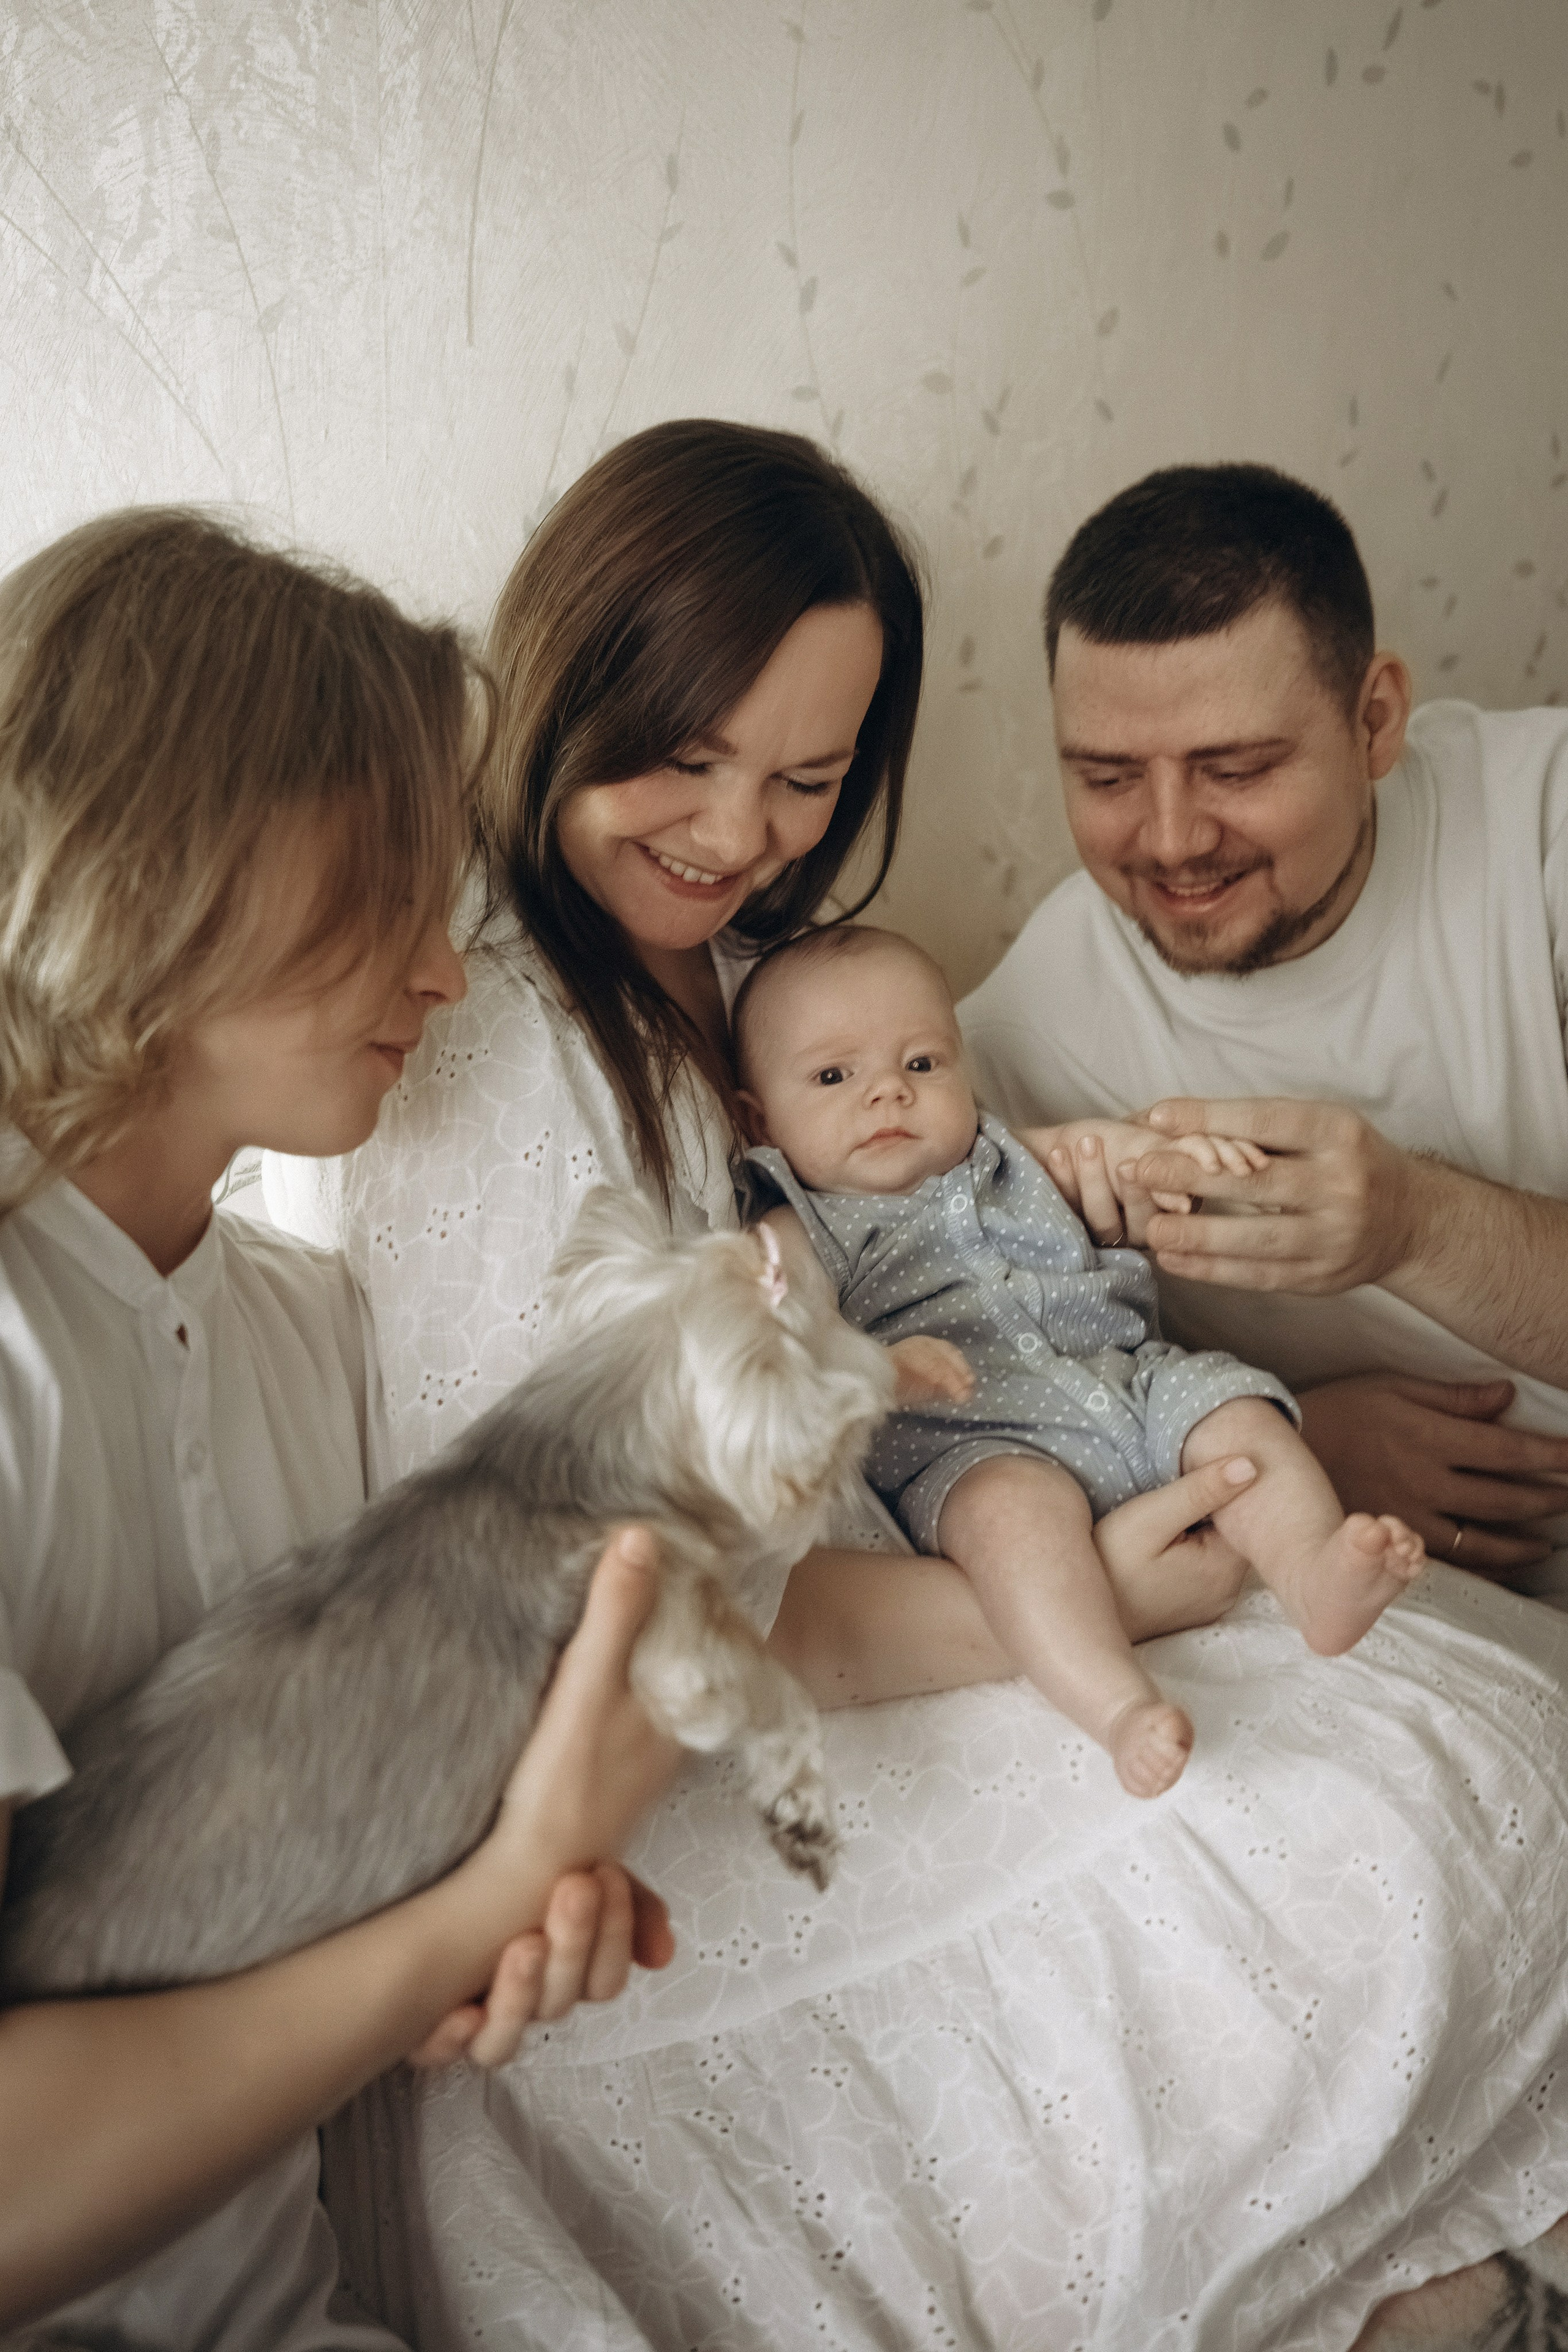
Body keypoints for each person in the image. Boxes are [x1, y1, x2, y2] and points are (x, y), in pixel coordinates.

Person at [268, 421, 1568, 2350]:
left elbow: (1027, 1253)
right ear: (566, 690)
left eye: (807, 778)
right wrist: (1094, 1593)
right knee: (1379, 1832)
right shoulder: (493, 1034)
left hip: (907, 1558)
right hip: (698, 1732)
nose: (737, 834)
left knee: (1467, 1741)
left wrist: (1286, 1380)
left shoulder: (782, 977)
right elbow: (609, 1617)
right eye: (686, 759)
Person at [0, 510, 681, 2343]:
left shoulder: (311, 1336)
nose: (447, 971)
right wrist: (485, 1908)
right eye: (391, 884)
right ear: (171, 858)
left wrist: (474, 1925)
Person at [960, 460, 1568, 1600]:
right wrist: (1290, 1444)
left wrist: (1415, 1226)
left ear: (1374, 719)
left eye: (1235, 768)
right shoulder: (1016, 1041)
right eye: (1107, 777)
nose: (1174, 839)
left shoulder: (1541, 835)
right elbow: (970, 1430)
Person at [736, 921, 1424, 1798]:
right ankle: (1116, 1705)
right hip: (972, 1441)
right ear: (756, 1114)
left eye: (921, 1064)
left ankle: (1314, 1574)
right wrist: (870, 1366)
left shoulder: (1009, 1156)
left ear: (964, 1070)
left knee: (1239, 1415)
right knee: (1012, 1522)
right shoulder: (800, 1223)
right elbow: (784, 1327)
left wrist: (1173, 1160)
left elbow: (1109, 1152)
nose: (888, 1097)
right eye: (835, 1077)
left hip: (1131, 1383)